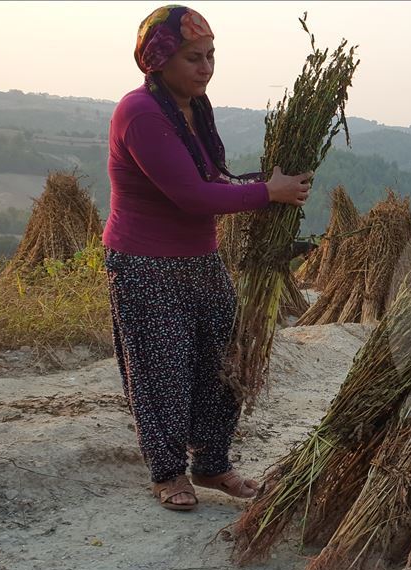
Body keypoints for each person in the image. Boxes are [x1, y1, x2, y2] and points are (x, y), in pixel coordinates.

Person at [103, 5, 312, 511]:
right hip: (145, 262)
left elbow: (212, 180)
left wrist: (264, 184)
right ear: (159, 60)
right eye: (193, 57)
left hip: (201, 260)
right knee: (162, 368)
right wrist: (267, 193)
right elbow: (193, 197)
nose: (206, 66)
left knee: (221, 363)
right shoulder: (140, 113)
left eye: (211, 55)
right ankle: (169, 473)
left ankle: (213, 464)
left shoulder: (195, 109)